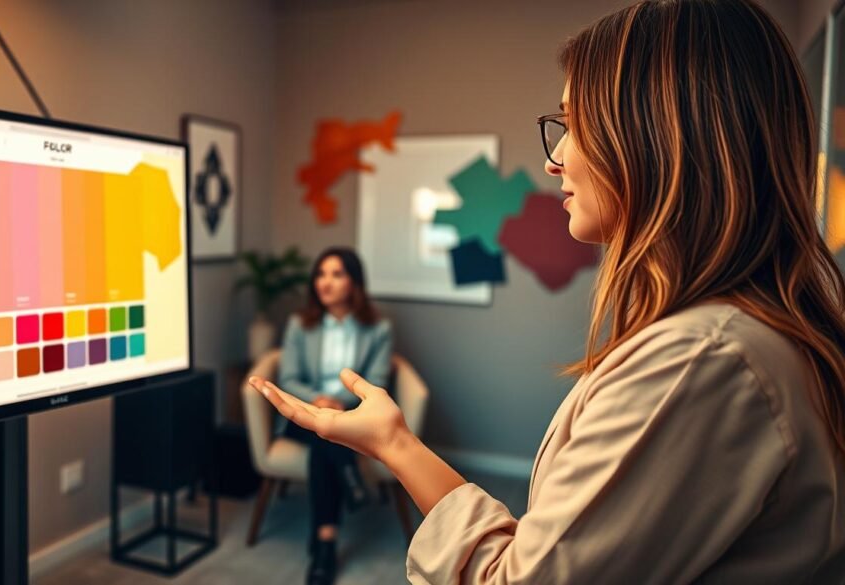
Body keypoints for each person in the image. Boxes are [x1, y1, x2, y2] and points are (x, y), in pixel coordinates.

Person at [249, 1, 845, 582]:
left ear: (659, 138)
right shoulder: (730, 342)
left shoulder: (700, 362)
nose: (556, 158)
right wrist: (391, 440)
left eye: (575, 125)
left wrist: (393, 444)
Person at [276, 246, 392, 585]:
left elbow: (378, 381)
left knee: (325, 437)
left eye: (336, 274)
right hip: (302, 413)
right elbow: (289, 380)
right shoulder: (300, 325)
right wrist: (320, 401)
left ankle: (323, 545)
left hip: (351, 415)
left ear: (354, 283)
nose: (325, 282)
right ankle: (350, 482)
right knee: (322, 431)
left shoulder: (378, 329)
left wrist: (337, 404)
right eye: (321, 274)